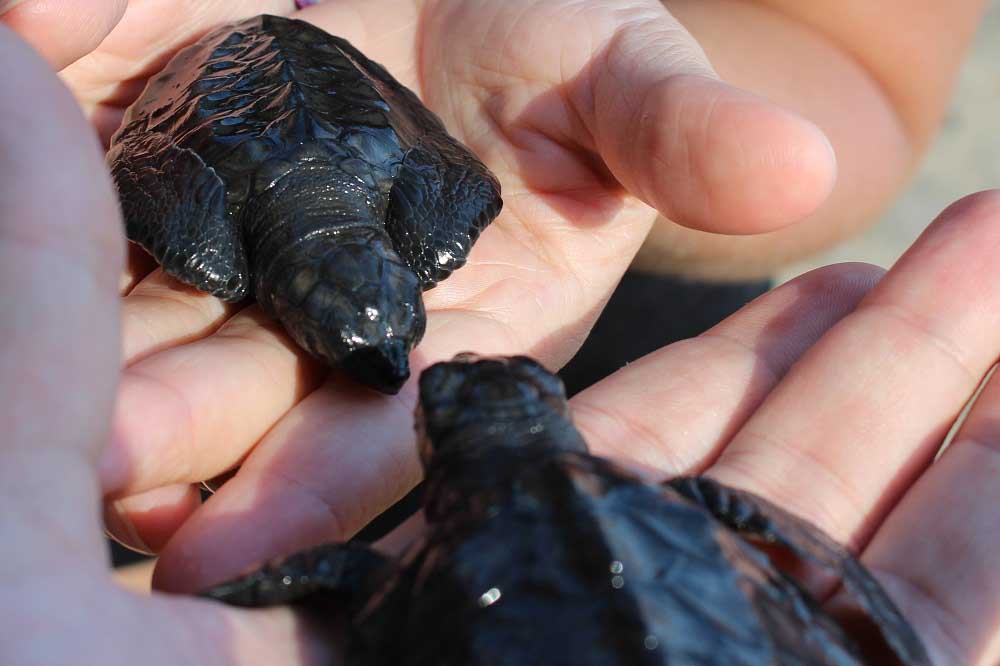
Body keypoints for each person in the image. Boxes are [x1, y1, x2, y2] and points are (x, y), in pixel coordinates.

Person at [1, 2, 996, 663]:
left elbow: (864, 58)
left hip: (602, 310)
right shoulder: (677, 500)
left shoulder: (248, 246)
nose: (402, 367)